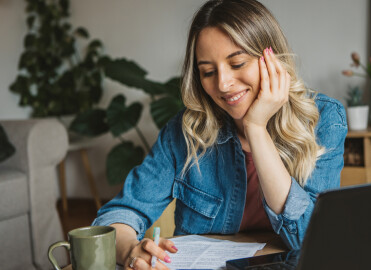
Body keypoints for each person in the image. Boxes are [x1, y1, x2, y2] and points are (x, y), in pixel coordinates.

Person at [92, 0, 347, 269]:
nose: (223, 84)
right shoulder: (185, 132)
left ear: (271, 59)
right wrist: (132, 250)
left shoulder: (323, 120)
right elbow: (119, 214)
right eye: (208, 72)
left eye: (237, 63)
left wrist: (256, 129)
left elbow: (311, 237)